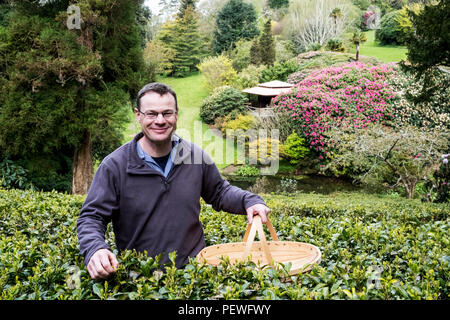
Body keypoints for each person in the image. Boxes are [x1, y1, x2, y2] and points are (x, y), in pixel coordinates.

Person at [77, 82, 270, 280]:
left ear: (176, 114)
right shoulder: (114, 166)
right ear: (138, 115)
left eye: (167, 113)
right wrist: (95, 249)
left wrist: (249, 200)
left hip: (194, 276)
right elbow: (92, 216)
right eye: (151, 114)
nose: (160, 120)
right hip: (140, 279)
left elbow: (220, 192)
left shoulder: (196, 156)